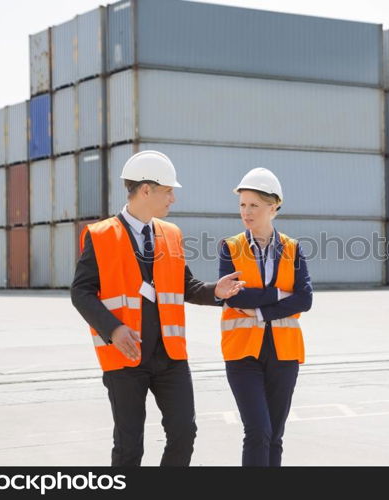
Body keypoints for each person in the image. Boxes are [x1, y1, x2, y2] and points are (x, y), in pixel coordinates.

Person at [71, 150, 245, 466]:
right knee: (129, 447)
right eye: (168, 191)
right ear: (146, 190)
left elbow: (185, 287)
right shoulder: (101, 235)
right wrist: (112, 328)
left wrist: (215, 291)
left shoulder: (171, 234)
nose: (173, 200)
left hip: (171, 357)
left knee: (184, 433)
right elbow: (81, 292)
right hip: (125, 357)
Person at [218, 167, 313, 466]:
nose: (246, 212)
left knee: (275, 435)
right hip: (242, 351)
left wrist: (257, 309)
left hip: (283, 352)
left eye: (254, 205)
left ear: (273, 208)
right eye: (242, 205)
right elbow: (234, 295)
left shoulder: (294, 248)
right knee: (258, 430)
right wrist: (279, 296)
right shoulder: (229, 247)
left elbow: (305, 299)